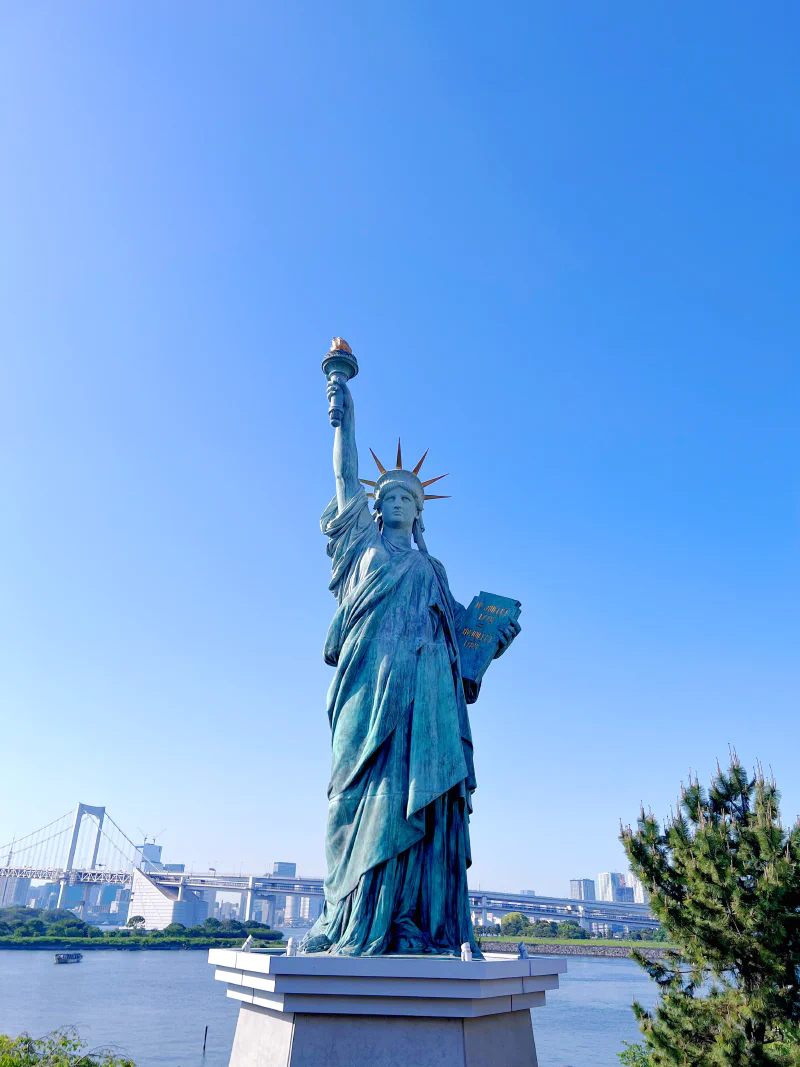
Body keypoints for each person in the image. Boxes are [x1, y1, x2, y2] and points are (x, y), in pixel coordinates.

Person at [300, 375, 520, 956]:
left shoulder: (434, 569)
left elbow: (460, 640)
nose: (397, 502)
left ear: (420, 512)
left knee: (415, 798)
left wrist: (493, 637)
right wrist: (344, 412)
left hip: (427, 699)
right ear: (376, 507)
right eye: (389, 496)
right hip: (367, 686)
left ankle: (408, 917)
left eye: (408, 498)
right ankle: (350, 914)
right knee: (353, 797)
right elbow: (345, 477)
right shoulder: (360, 547)